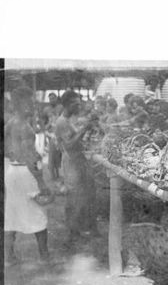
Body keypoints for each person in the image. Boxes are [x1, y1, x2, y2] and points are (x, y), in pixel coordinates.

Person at [4, 87, 50, 266]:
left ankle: (8, 258)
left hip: (12, 172)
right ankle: (45, 258)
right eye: (29, 102)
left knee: (12, 215)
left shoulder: (10, 124)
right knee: (39, 215)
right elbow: (30, 158)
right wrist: (41, 182)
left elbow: (7, 149)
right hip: (25, 173)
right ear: (20, 104)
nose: (32, 105)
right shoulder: (24, 127)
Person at [55, 91, 99, 245]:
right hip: (71, 163)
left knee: (84, 196)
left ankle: (79, 229)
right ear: (66, 104)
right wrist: (84, 129)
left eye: (79, 102)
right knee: (73, 198)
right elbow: (69, 144)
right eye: (75, 103)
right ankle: (71, 235)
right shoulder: (61, 122)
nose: (79, 105)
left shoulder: (70, 119)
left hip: (78, 161)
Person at [42, 93, 64, 182]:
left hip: (60, 134)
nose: (52, 100)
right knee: (51, 155)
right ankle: (53, 175)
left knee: (60, 155)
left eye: (53, 98)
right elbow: (43, 122)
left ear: (56, 99)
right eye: (50, 99)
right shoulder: (46, 109)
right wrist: (46, 129)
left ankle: (59, 174)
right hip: (51, 134)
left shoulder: (61, 107)